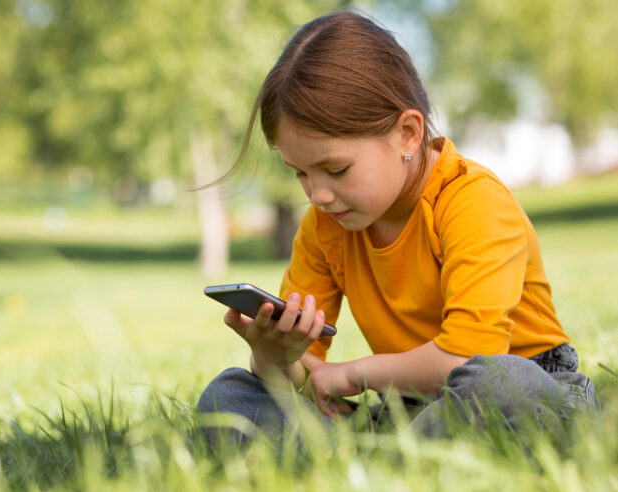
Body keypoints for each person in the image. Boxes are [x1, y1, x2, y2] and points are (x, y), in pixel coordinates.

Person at [196, 10, 598, 446]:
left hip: (520, 383)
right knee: (229, 396)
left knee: (498, 384)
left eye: (336, 169)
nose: (317, 194)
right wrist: (273, 358)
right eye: (301, 174)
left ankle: (368, 454)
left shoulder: (472, 201)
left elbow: (467, 356)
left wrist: (356, 373)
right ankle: (388, 451)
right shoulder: (324, 227)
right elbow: (308, 375)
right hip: (407, 407)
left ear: (407, 134)